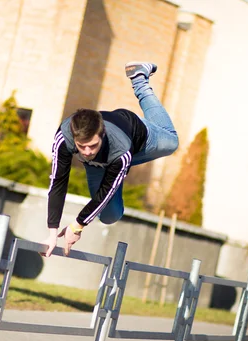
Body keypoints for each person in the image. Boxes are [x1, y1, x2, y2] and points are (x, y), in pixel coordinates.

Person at [43, 61, 179, 257]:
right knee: (109, 216)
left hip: (139, 138)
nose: (88, 151)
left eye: (93, 145)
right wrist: (52, 233)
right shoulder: (63, 139)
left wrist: (77, 225)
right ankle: (118, 173)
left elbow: (105, 192)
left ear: (102, 135)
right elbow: (58, 182)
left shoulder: (120, 150)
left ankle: (140, 81)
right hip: (102, 165)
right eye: (82, 147)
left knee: (172, 142)